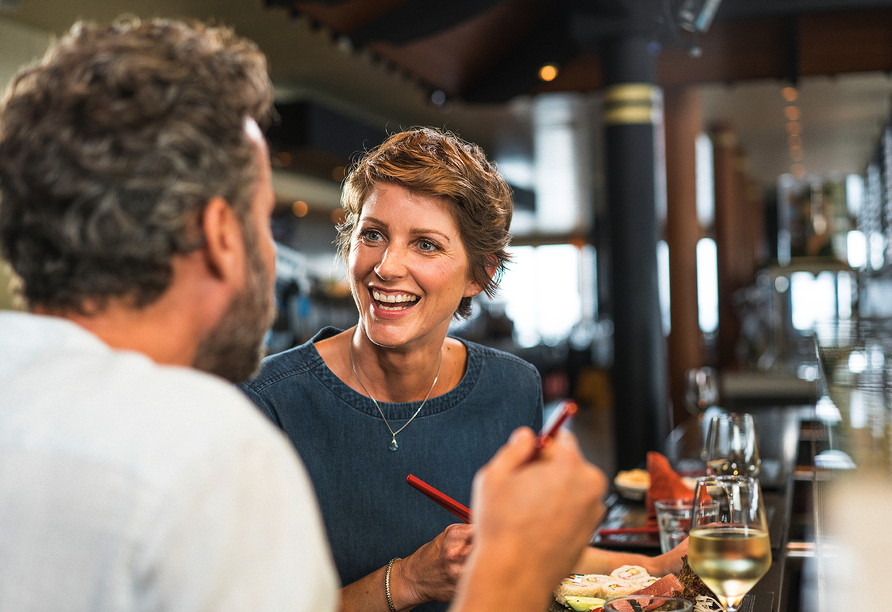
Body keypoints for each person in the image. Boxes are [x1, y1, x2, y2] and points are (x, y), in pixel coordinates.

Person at [0, 17, 607, 612]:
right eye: (263, 217)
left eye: (424, 244)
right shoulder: (212, 446)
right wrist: (509, 569)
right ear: (221, 235)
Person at [240, 128, 686, 612]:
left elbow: (522, 551)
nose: (387, 266)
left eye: (426, 245)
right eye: (373, 234)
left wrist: (658, 568)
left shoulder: (512, 386)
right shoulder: (265, 402)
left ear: (481, 273)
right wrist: (409, 579)